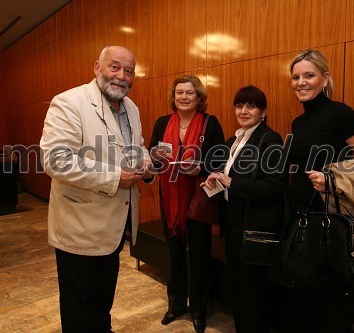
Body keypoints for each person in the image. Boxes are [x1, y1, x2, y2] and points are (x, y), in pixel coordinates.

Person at [40, 45, 153, 333]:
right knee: (80, 306)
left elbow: (135, 147)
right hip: (80, 227)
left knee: (103, 301)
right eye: (114, 67)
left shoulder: (132, 108)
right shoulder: (69, 102)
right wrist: (115, 178)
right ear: (97, 67)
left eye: (128, 71)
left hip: (114, 226)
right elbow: (56, 160)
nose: (121, 76)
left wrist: (147, 163)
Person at [284, 49, 354, 332]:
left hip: (333, 218)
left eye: (309, 75)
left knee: (333, 305)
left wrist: (332, 179)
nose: (301, 82)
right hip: (303, 217)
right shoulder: (299, 122)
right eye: (296, 77)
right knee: (304, 302)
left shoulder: (341, 113)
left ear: (324, 79)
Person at [203, 85, 287, 333]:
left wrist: (232, 182)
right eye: (239, 105)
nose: (244, 110)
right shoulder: (233, 140)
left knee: (252, 292)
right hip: (234, 225)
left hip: (255, 228)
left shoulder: (270, 139)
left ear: (263, 111)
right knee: (238, 289)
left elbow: (275, 187)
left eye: (251, 106)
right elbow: (231, 183)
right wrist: (216, 182)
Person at [148, 75, 225, 333]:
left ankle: (199, 309)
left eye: (189, 93)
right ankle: (176, 304)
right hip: (170, 198)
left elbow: (220, 160)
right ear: (174, 96)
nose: (183, 97)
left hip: (198, 199)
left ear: (198, 97)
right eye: (179, 92)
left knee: (201, 254)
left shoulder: (210, 123)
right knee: (175, 253)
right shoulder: (162, 123)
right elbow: (153, 157)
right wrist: (155, 160)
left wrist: (200, 167)